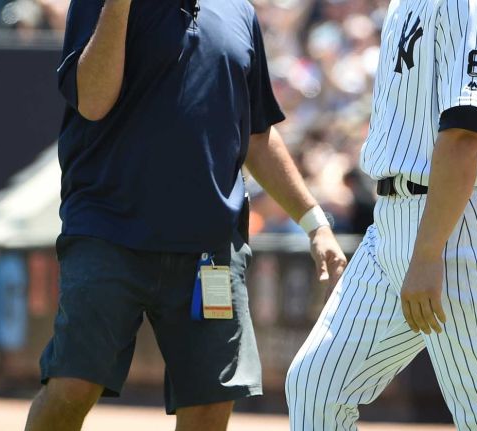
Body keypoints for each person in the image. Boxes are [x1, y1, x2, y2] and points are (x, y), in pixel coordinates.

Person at [23, 0, 347, 430]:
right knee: (72, 387)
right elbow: (93, 102)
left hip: (209, 249)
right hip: (108, 231)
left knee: (210, 405)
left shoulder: (239, 12)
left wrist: (313, 220)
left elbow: (254, 134)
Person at [285, 0, 477, 428]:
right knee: (317, 385)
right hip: (392, 220)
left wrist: (426, 252)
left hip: (456, 224)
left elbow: (464, 132)